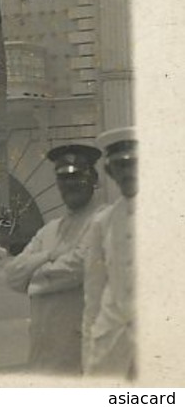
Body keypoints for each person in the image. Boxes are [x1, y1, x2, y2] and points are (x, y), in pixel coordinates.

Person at [4, 143, 104, 374]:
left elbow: (77, 267)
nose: (70, 184)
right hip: (42, 349)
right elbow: (12, 274)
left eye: (77, 176)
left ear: (94, 179)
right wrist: (48, 255)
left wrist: (32, 280)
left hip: (79, 349)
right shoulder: (49, 230)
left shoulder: (102, 220)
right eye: (63, 178)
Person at [82, 126, 137, 378]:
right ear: (110, 171)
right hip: (110, 343)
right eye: (120, 166)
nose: (128, 172)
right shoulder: (102, 222)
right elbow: (93, 292)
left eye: (133, 164)